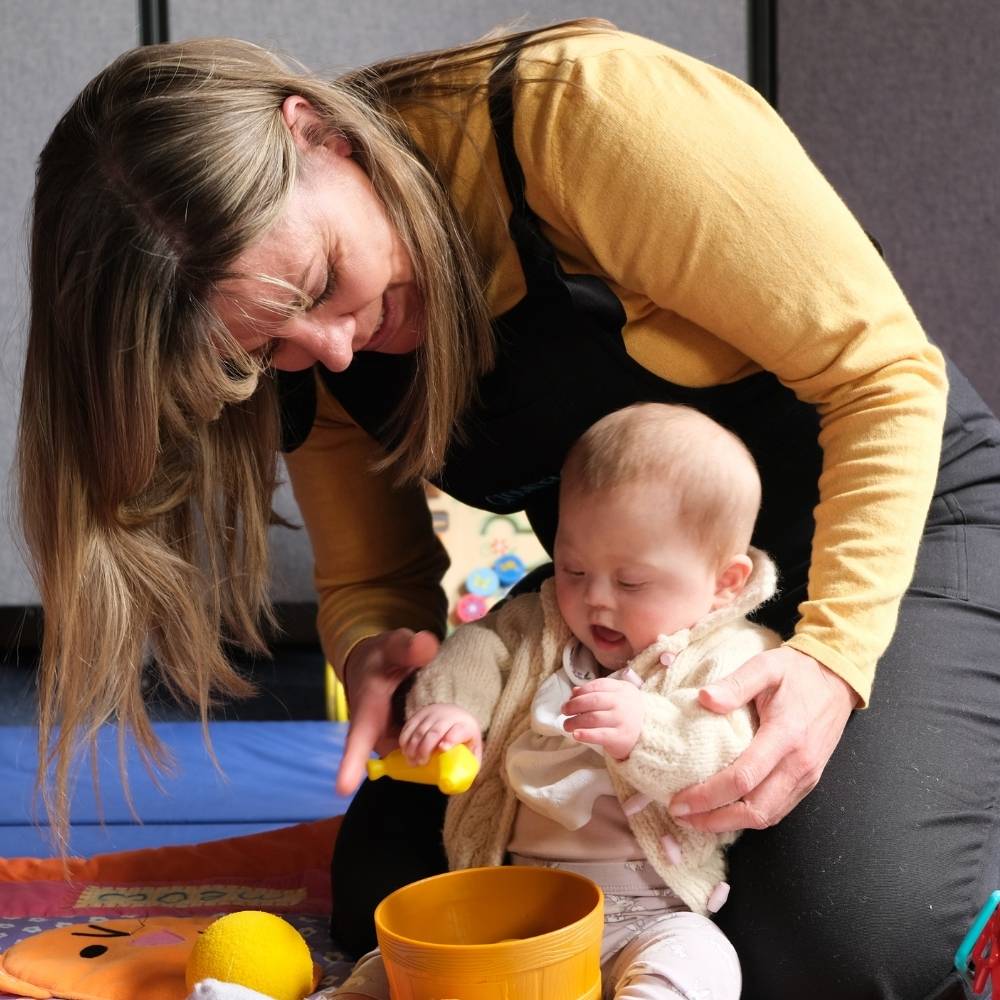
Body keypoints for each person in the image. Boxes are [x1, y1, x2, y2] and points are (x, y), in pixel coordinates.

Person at [17, 17, 999, 1000]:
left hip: (892, 530)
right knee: (389, 903)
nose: (335, 348)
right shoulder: (317, 354)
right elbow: (376, 581)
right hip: (618, 605)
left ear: (315, 132)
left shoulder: (585, 117)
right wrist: (377, 654)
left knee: (842, 946)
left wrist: (833, 657)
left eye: (321, 283)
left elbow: (883, 377)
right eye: (264, 349)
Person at [330, 402, 776, 1000]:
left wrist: (649, 732)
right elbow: (478, 648)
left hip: (648, 911)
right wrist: (453, 709)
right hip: (512, 905)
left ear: (724, 581)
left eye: (630, 582)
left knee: (703, 960)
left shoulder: (732, 653)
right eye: (572, 569)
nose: (595, 601)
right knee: (401, 959)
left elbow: (727, 753)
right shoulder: (538, 625)